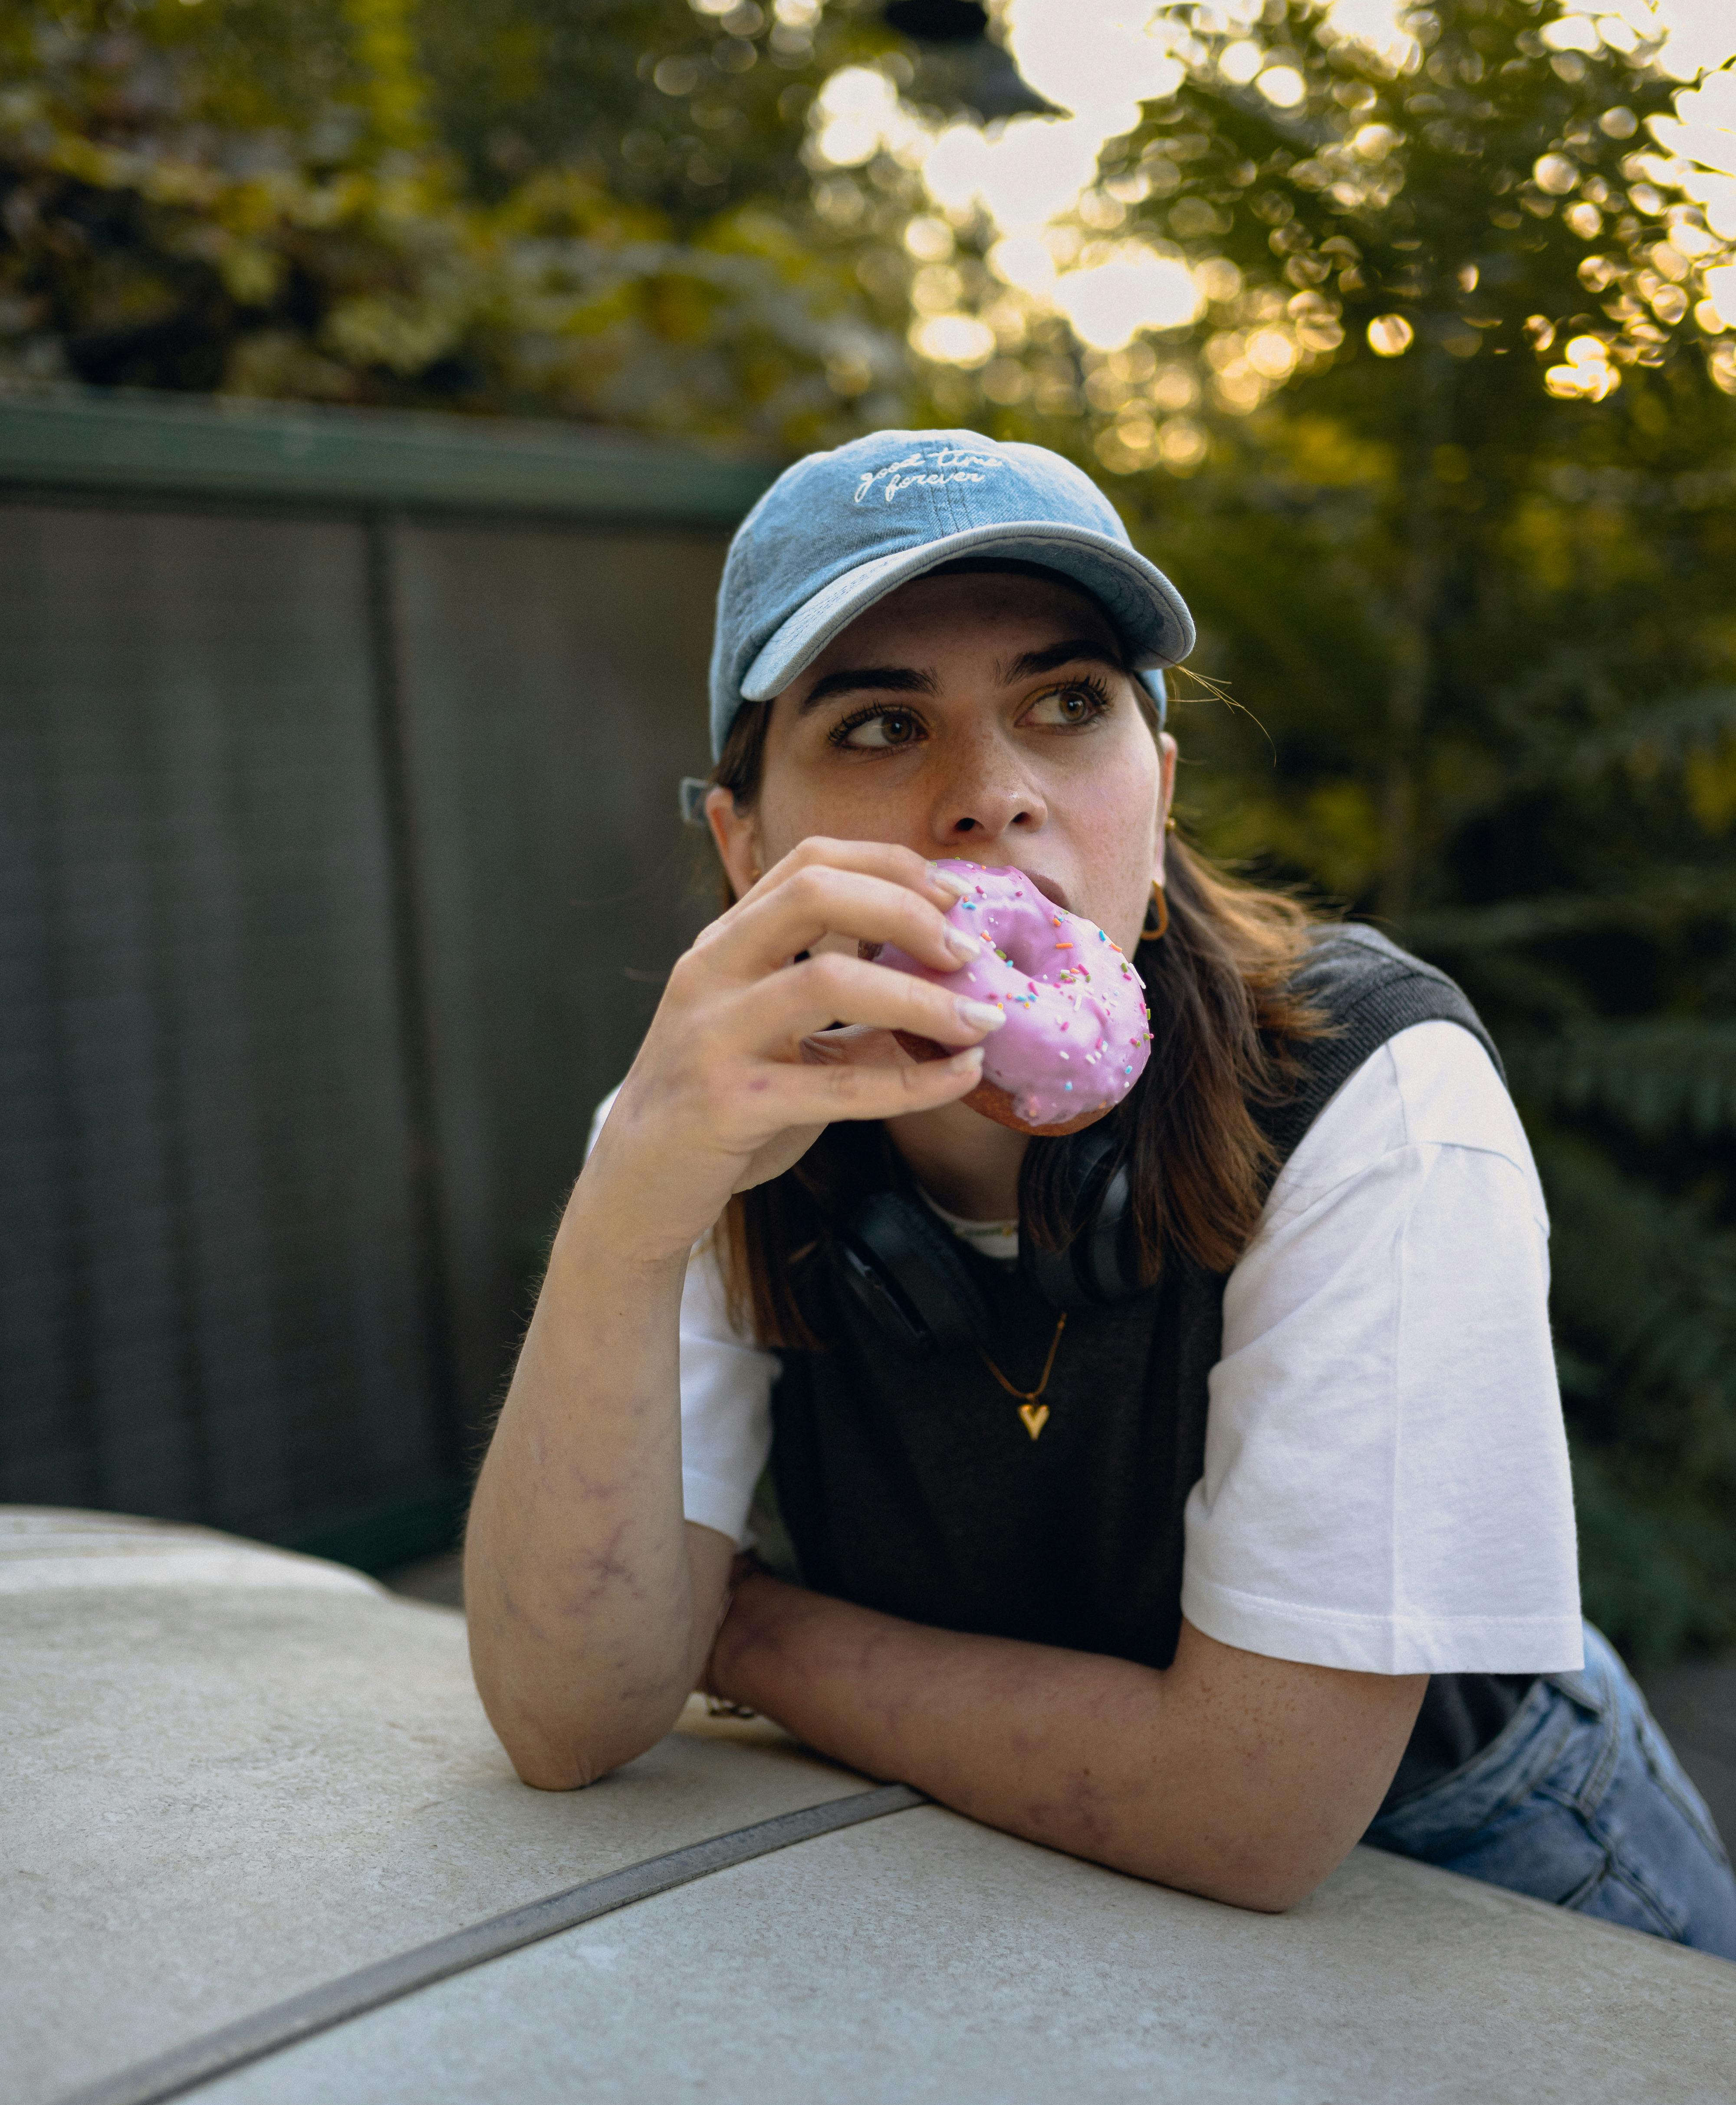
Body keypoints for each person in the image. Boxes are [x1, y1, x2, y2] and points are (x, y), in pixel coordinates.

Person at [466, 428, 1736, 1954]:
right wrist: (628, 1219)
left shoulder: (1375, 1095)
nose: (992, 797)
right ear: (746, 845)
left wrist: (736, 1626)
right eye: (880, 725)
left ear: (1160, 787)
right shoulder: (704, 1120)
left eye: (1070, 705)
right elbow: (565, 1719)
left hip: (1498, 1889)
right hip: (992, 1896)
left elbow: (1253, 1810)